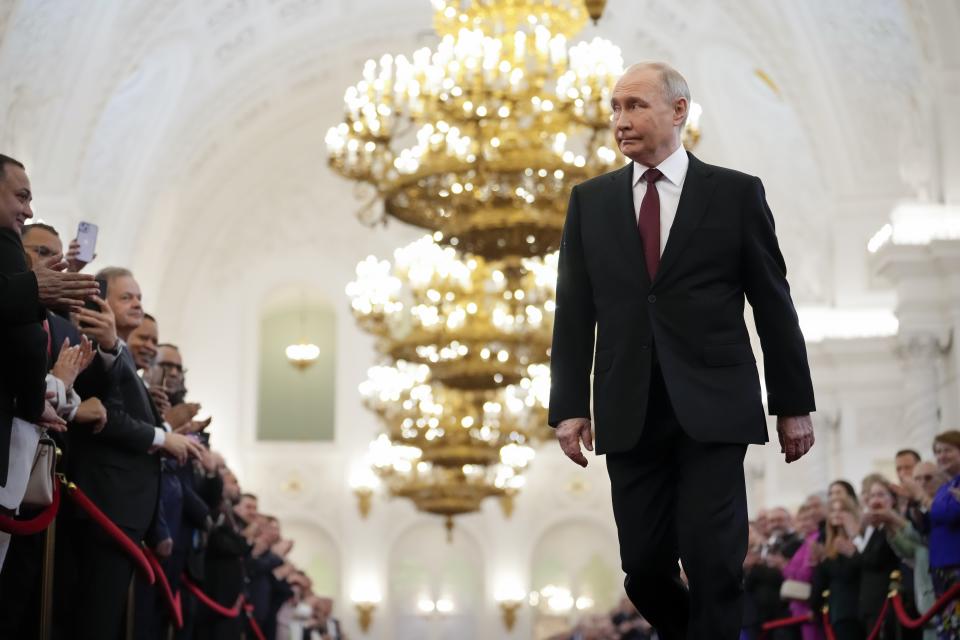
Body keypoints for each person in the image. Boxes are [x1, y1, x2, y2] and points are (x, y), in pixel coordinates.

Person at [548, 61, 815, 639]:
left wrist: (792, 402)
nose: (620, 120)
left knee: (714, 562)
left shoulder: (736, 194)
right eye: (616, 107)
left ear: (678, 112)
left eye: (636, 106)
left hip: (714, 407)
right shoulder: (589, 201)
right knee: (643, 569)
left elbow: (773, 305)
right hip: (628, 408)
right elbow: (572, 315)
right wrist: (569, 406)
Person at [813, 495, 864, 640]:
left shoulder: (860, 537)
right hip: (840, 612)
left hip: (860, 608)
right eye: (833, 511)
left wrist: (851, 551)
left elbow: (854, 570)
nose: (837, 514)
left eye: (842, 510)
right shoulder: (828, 545)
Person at [928, 430, 960, 639]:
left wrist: (922, 497)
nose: (941, 456)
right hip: (941, 571)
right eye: (938, 451)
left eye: (947, 450)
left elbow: (950, 514)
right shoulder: (945, 487)